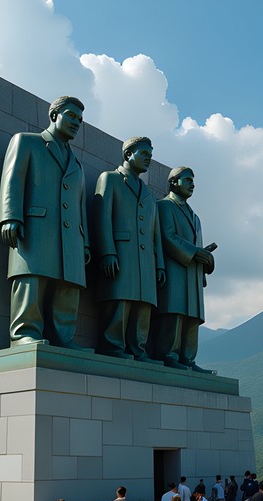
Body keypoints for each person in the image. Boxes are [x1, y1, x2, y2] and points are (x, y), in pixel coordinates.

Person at [0, 95, 91, 349]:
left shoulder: (77, 163)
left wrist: (85, 242)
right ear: (54, 115)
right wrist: (10, 216)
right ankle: (23, 333)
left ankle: (64, 337)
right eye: (71, 116)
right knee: (32, 278)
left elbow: (80, 205)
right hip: (36, 226)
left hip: (71, 236)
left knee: (68, 286)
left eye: (80, 120)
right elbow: (13, 178)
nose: (76, 123)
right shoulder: (27, 142)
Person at [92, 136, 165, 361]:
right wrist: (107, 251)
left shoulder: (149, 194)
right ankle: (112, 346)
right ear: (128, 155)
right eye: (144, 154)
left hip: (145, 260)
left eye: (151, 156)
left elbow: (156, 235)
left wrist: (159, 264)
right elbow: (101, 218)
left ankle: (137, 349)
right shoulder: (110, 179)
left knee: (143, 305)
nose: (148, 160)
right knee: (120, 300)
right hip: (121, 254)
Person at [153, 166, 215, 372]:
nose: (192, 184)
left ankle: (188, 358)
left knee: (192, 316)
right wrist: (196, 253)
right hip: (175, 269)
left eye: (193, 180)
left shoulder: (195, 217)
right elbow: (168, 237)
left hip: (193, 273)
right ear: (173, 182)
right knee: (175, 311)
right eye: (187, 180)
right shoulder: (164, 207)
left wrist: (205, 260)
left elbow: (199, 247)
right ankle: (168, 353)